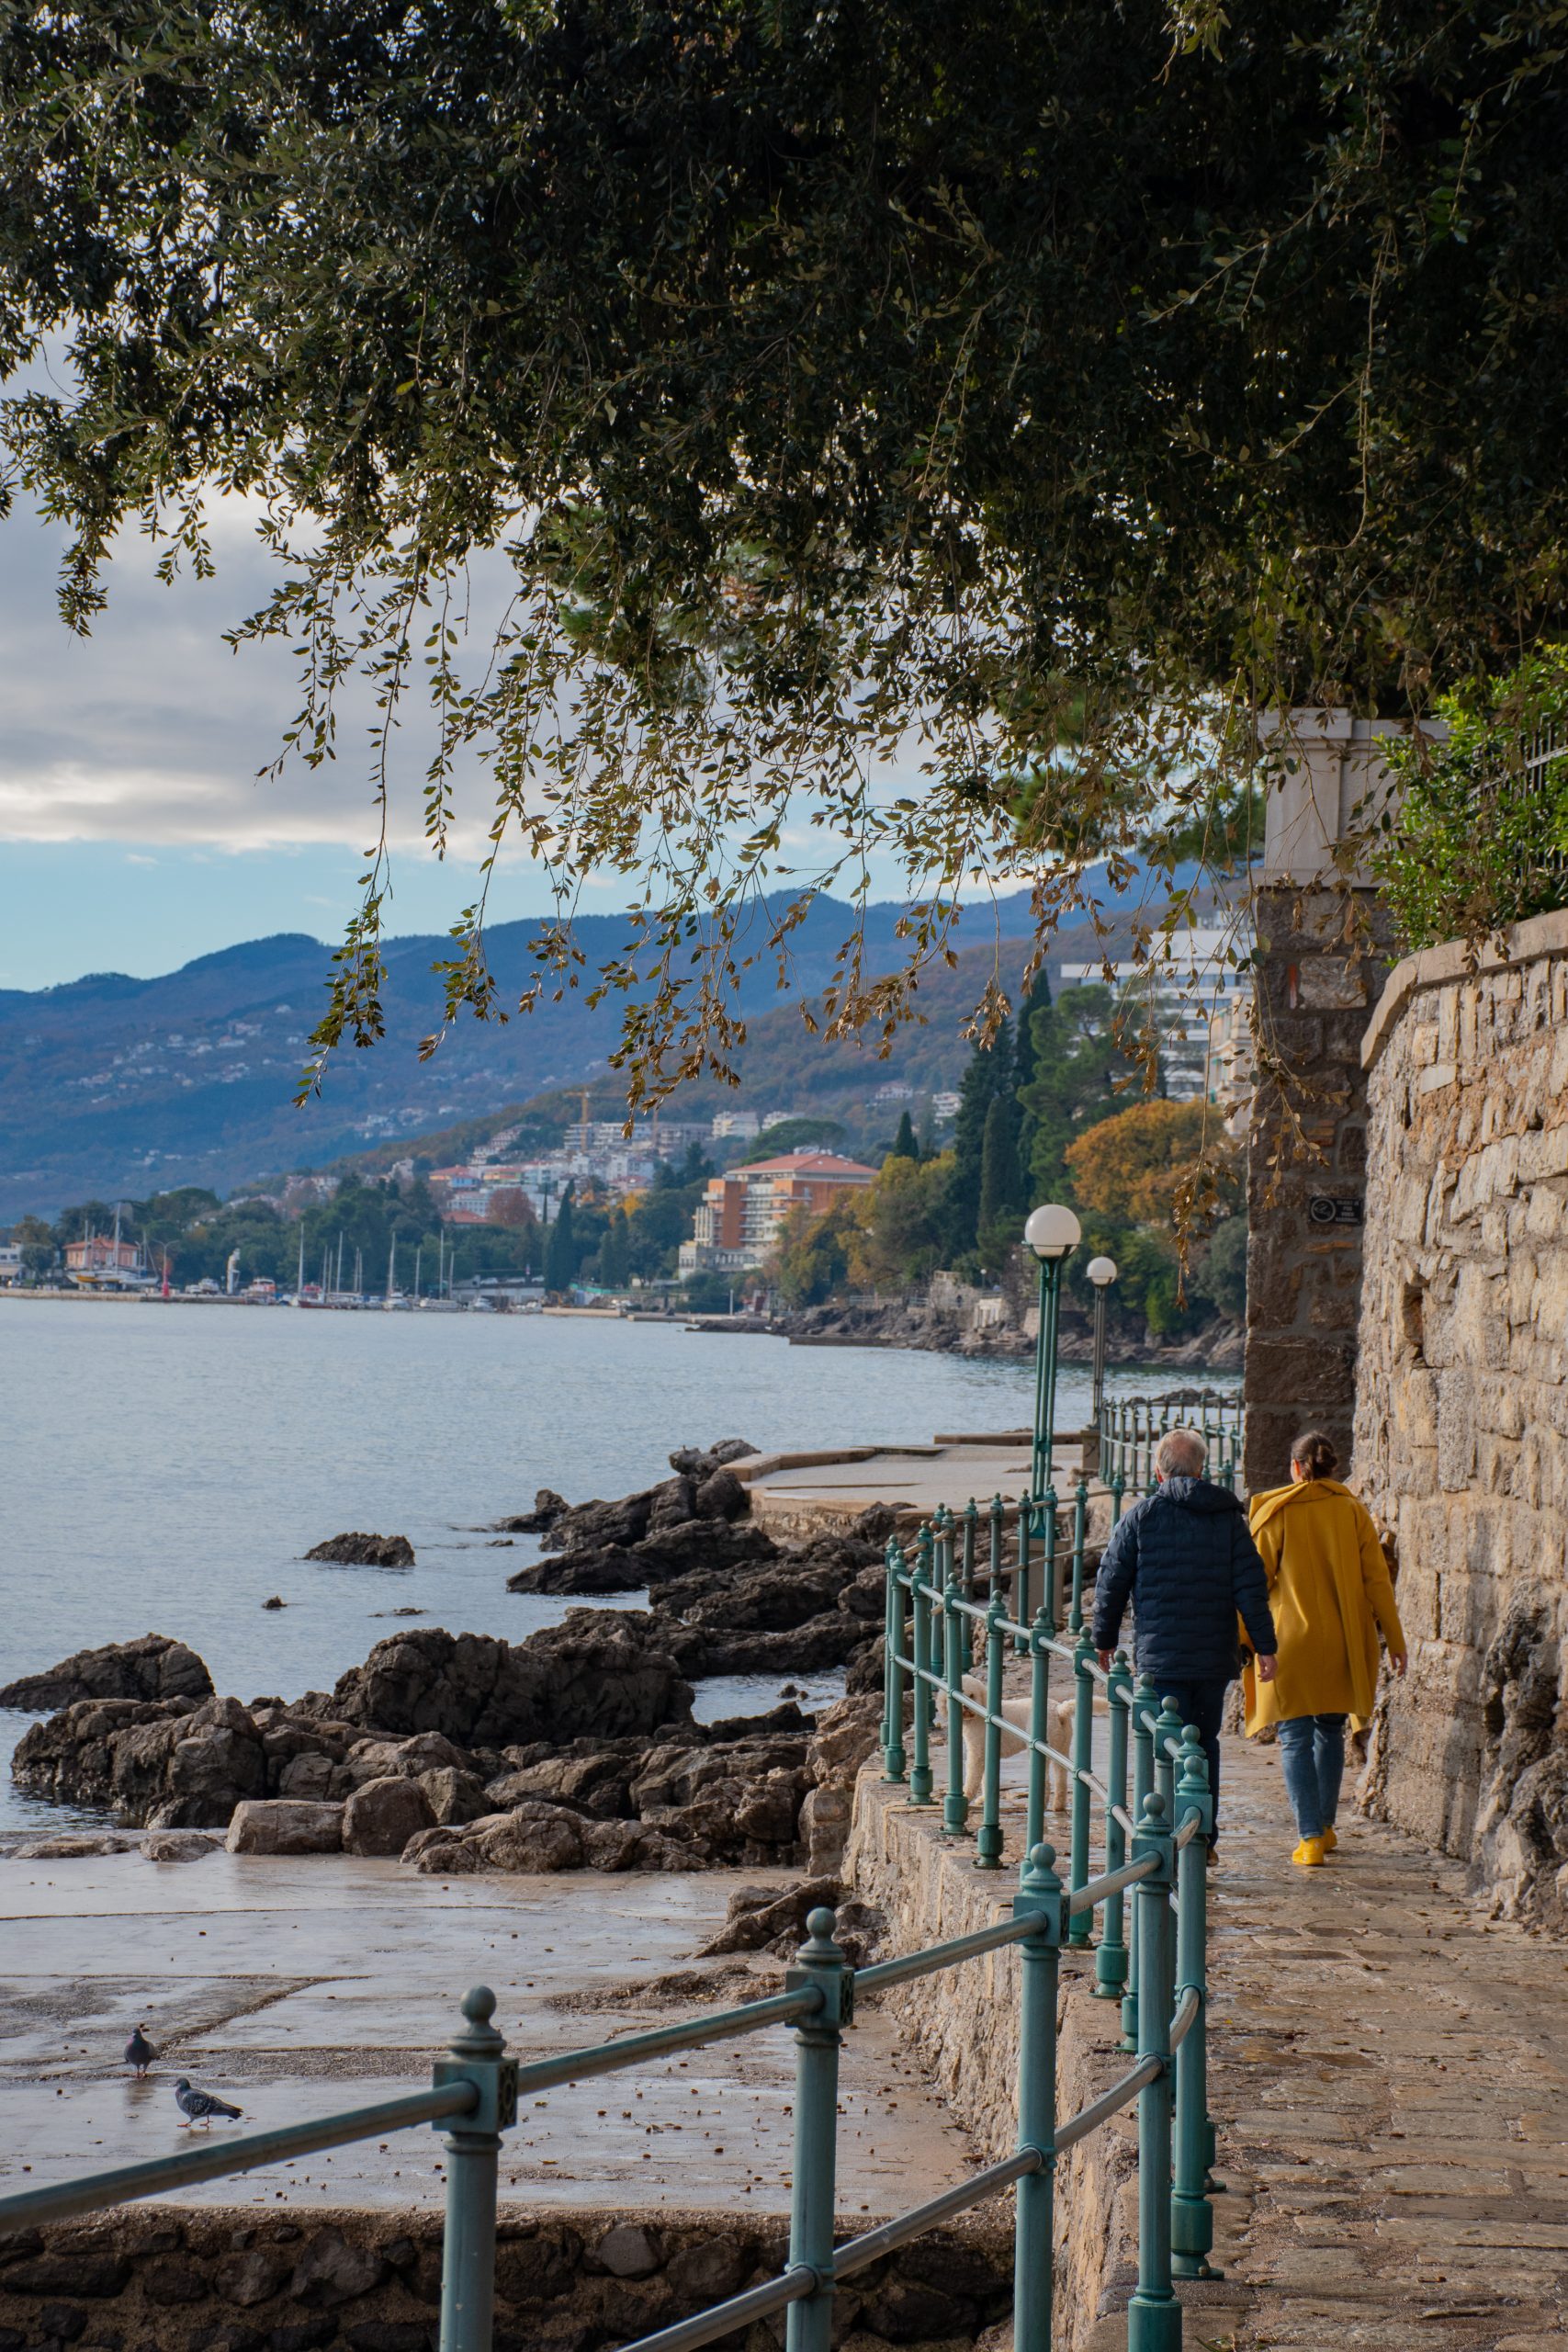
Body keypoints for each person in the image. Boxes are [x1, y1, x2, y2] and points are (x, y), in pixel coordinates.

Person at [1093, 1426, 1277, 1849]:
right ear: (1202, 1470)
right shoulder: (1228, 1519)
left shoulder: (1141, 1517)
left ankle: (1167, 1837)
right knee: (1204, 1744)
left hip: (1162, 1659)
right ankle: (1202, 1838)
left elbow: (1112, 1582)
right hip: (1213, 1656)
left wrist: (1104, 1640)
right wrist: (1265, 1647)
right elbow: (1251, 1588)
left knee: (1167, 1746)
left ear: (1159, 1472)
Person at [1246, 1428, 1407, 1870]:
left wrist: (1244, 1640)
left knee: (1294, 1737)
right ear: (1332, 1467)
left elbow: (1255, 1583)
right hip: (1342, 1640)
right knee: (1330, 1730)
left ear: (1296, 1468)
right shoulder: (1354, 1511)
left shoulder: (1275, 1512)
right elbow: (1377, 1580)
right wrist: (1394, 1639)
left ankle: (1309, 1837)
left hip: (1290, 1641)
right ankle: (1327, 1826)